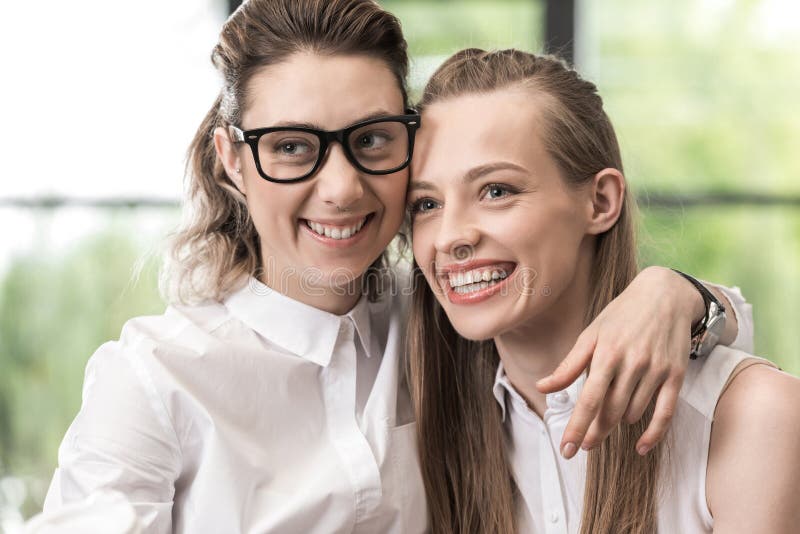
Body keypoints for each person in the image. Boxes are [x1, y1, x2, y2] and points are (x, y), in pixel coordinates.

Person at [38, 1, 755, 532]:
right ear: (233, 161)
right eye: (293, 147)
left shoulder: (445, 322)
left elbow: (710, 350)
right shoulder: (155, 379)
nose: (343, 186)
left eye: (373, 140)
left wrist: (677, 295)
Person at [407, 47, 800, 534]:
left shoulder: (752, 417)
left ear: (601, 201)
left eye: (496, 191)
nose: (449, 237)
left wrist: (676, 290)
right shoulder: (423, 413)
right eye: (426, 202)